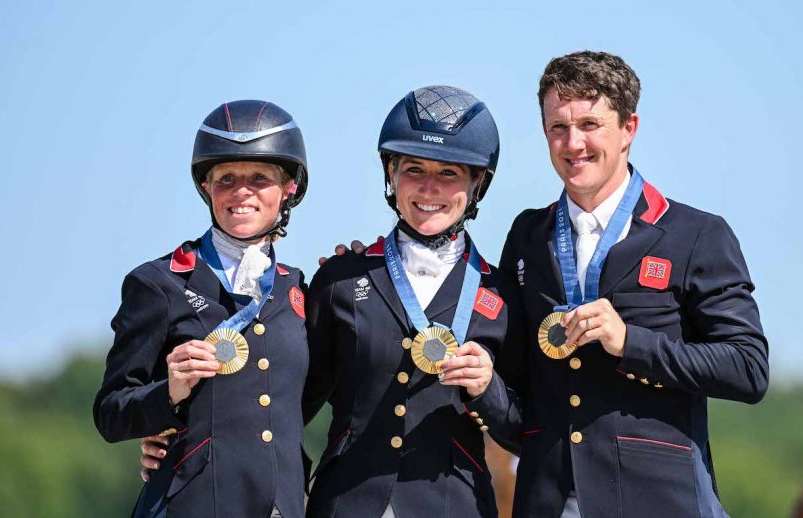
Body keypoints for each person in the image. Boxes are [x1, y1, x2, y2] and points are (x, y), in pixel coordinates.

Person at [465, 51, 770, 517]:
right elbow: (515, 371)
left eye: (590, 124)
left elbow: (748, 369)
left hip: (660, 501)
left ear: (629, 129)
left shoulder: (696, 235)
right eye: (557, 128)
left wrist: (631, 343)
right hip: (545, 501)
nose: (573, 143)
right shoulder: (527, 235)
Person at [94, 100, 311, 518]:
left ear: (289, 190)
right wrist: (168, 394)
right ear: (206, 187)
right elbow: (110, 413)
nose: (241, 191)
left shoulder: (297, 288)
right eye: (226, 177)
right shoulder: (158, 282)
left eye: (260, 178)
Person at [301, 85, 509, 518]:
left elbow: (527, 430)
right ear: (391, 175)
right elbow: (288, 406)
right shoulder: (340, 279)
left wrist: (489, 389)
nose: (429, 187)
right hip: (347, 503)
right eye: (414, 169)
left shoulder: (502, 295)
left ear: (477, 184)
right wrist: (179, 439)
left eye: (449, 173)